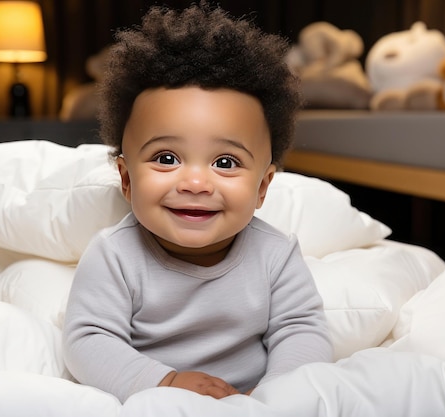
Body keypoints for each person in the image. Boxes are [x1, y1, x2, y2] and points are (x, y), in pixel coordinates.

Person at [62, 2, 333, 403]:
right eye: (166, 158)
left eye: (225, 162)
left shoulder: (276, 256)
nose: (194, 182)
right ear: (126, 179)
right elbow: (87, 341)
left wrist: (279, 392)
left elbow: (303, 331)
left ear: (262, 187)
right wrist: (164, 381)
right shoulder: (115, 256)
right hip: (157, 400)